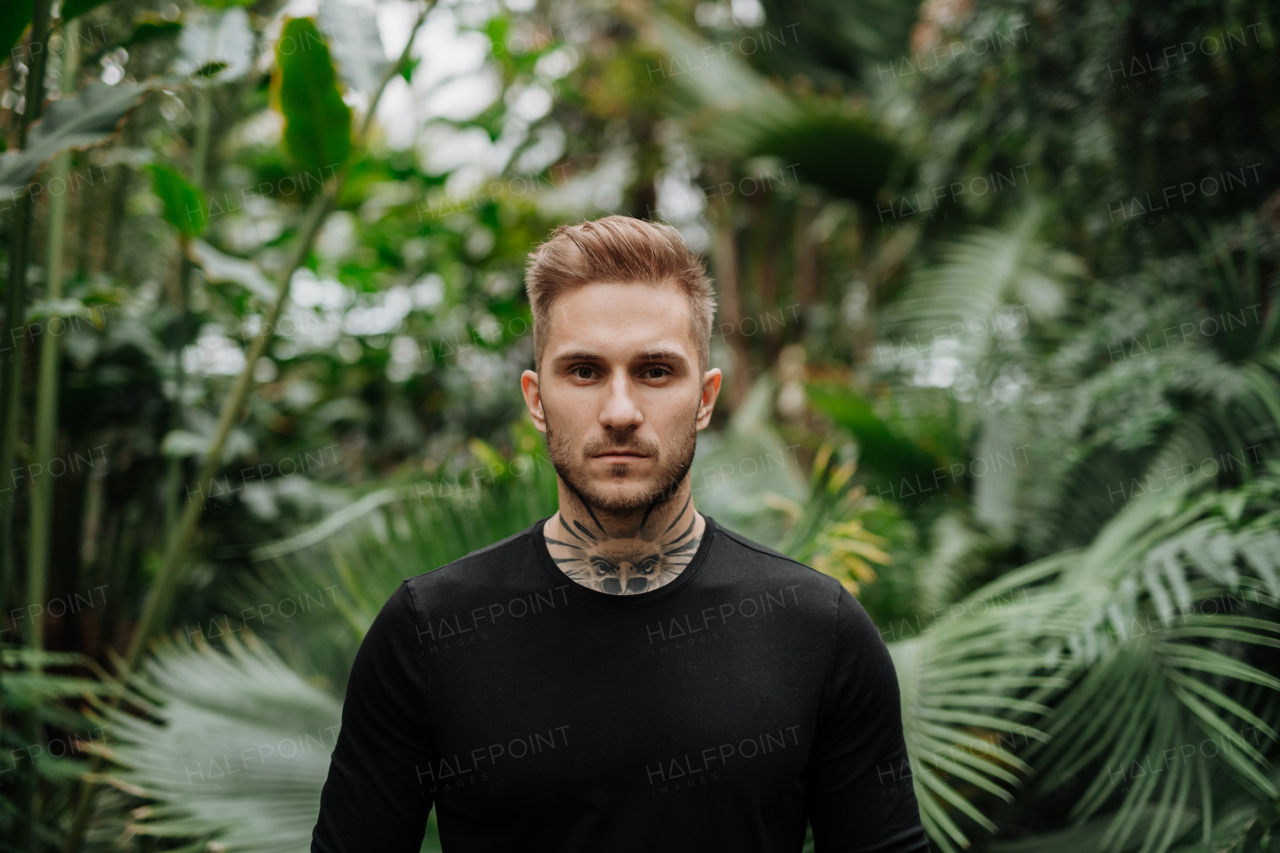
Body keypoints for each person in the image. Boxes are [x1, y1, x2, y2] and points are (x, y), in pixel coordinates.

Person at [311, 215, 928, 852]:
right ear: (535, 398)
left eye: (656, 371)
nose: (620, 412)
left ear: (706, 397)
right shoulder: (430, 630)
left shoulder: (818, 629)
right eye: (583, 371)